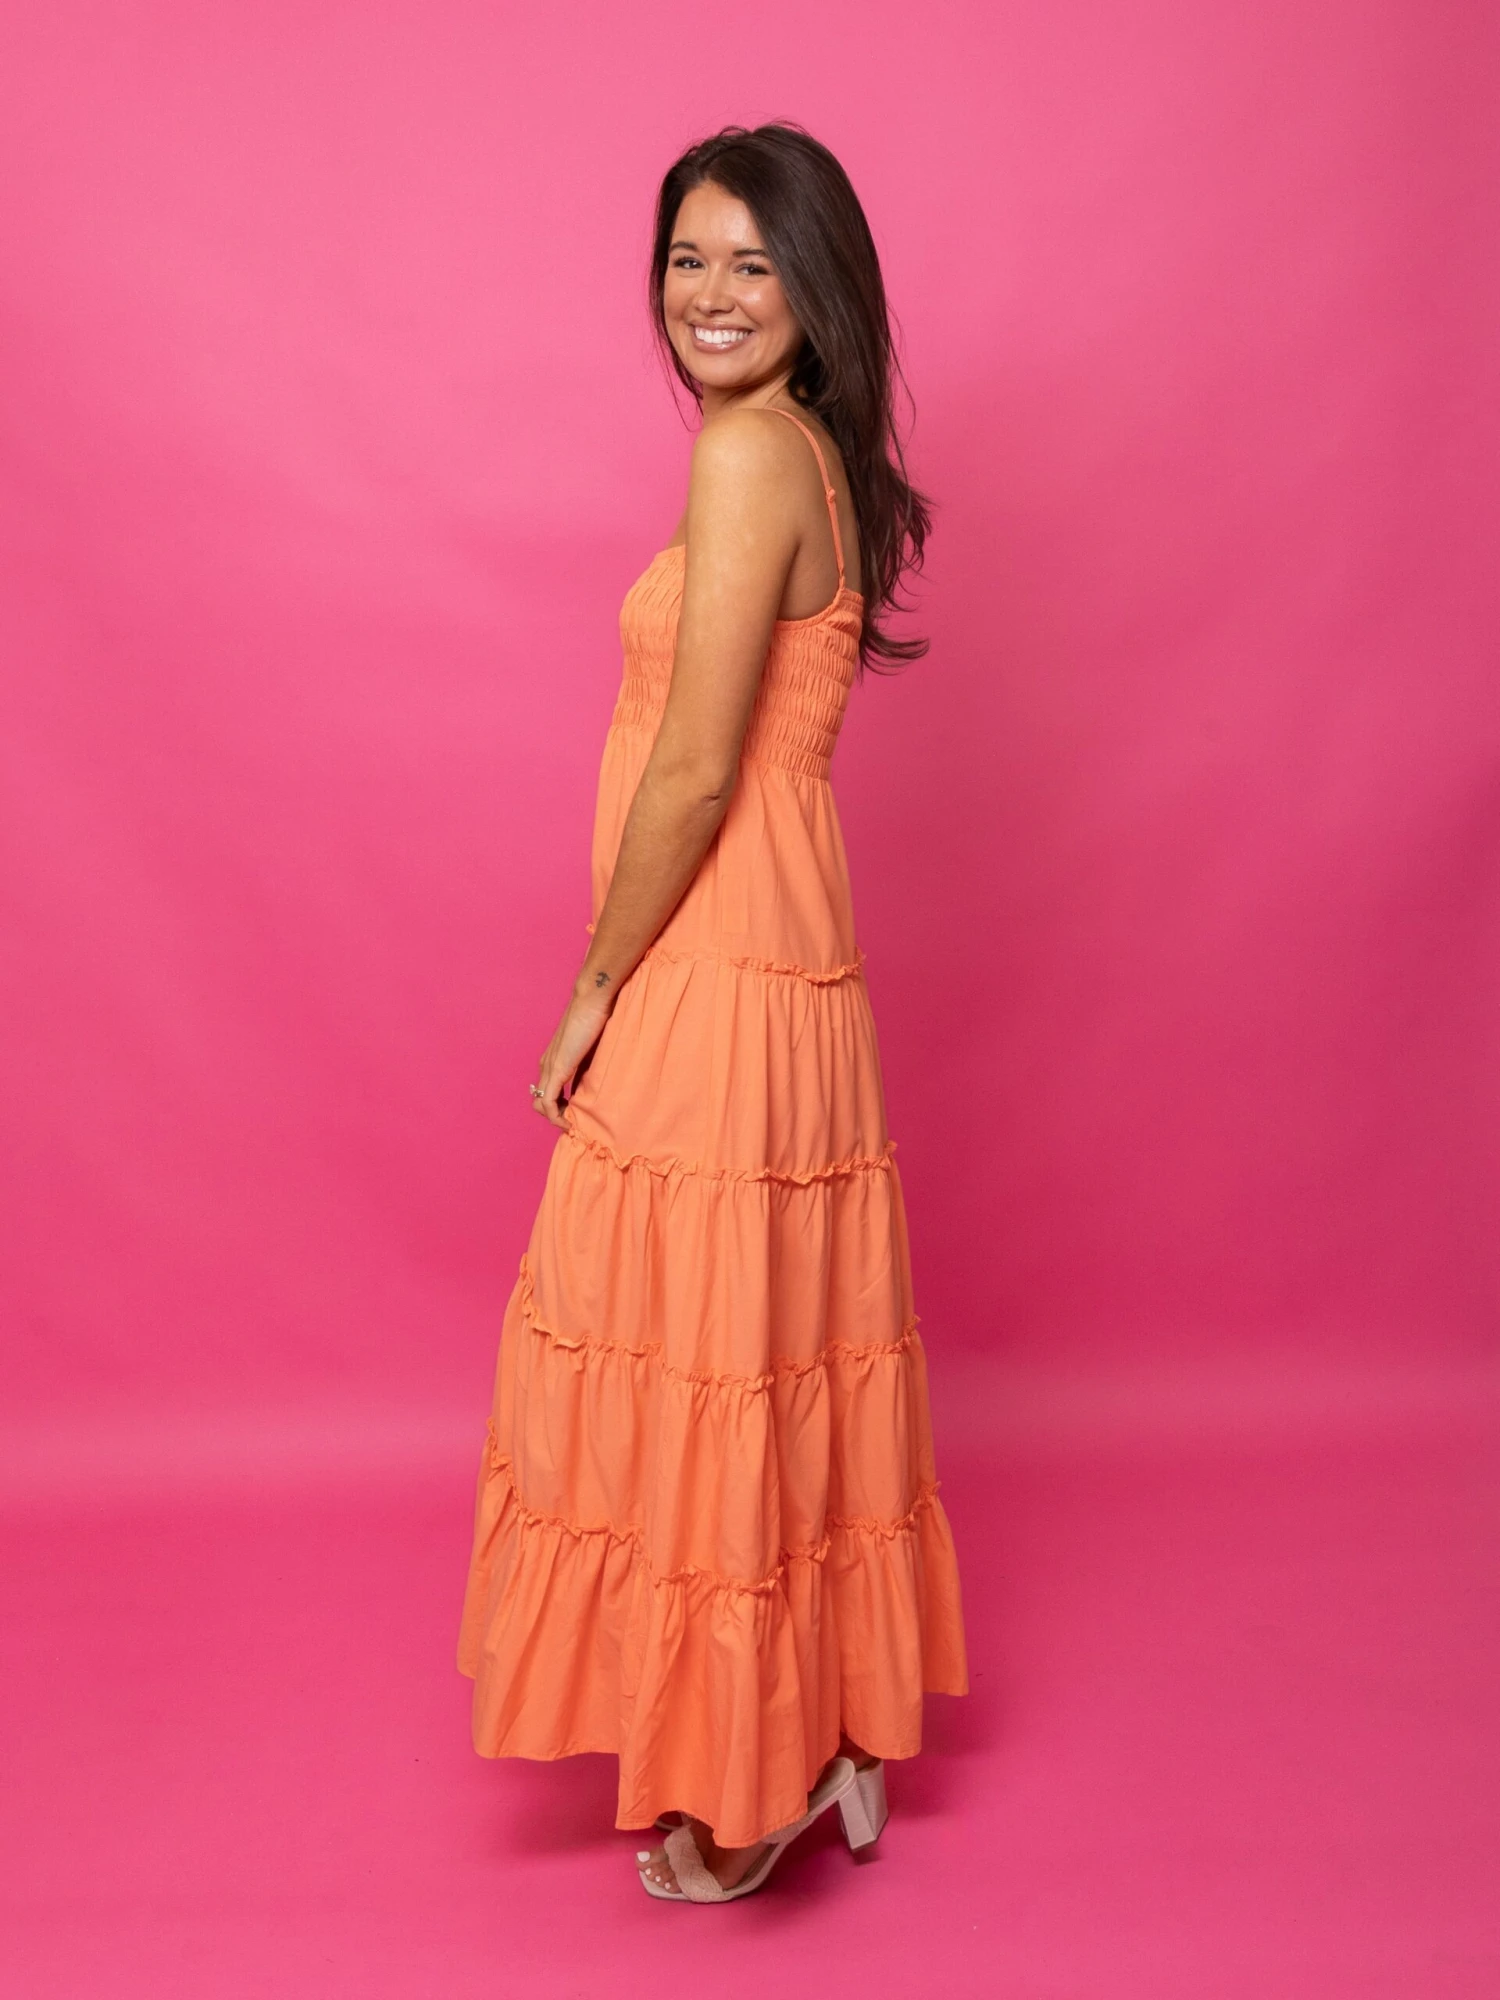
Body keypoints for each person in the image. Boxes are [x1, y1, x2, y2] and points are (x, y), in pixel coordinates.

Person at [457, 121, 968, 1905]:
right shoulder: (808, 455)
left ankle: (752, 1785)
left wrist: (594, 985)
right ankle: (812, 1737)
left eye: (755, 262)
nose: (712, 294)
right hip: (784, 960)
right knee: (755, 1349)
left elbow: (692, 770)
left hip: (717, 961)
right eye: (689, 258)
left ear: (818, 290)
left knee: (700, 1358)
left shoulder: (752, 455)